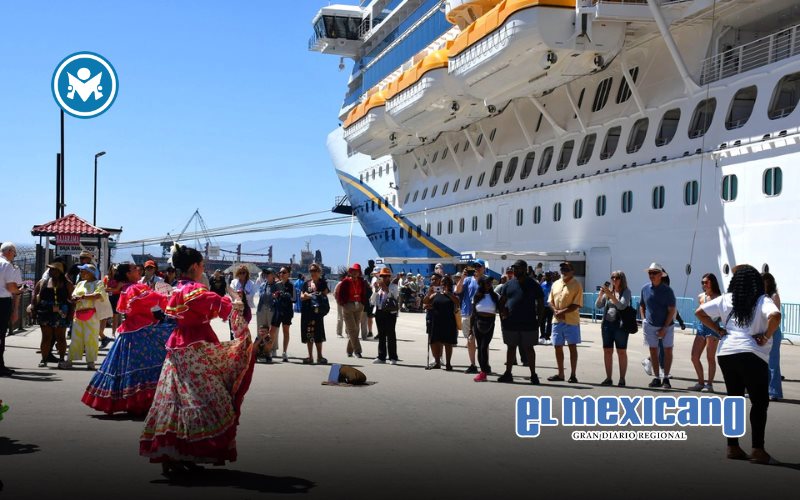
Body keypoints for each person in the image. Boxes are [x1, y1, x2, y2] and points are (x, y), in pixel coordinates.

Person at [139, 244, 259, 473]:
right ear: (194, 266)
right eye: (202, 265)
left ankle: (174, 454)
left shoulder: (175, 289)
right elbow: (227, 309)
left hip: (177, 348)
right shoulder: (196, 291)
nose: (203, 268)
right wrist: (237, 303)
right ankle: (186, 453)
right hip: (197, 349)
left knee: (175, 401)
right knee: (210, 400)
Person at [695, 264, 781, 464]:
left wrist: (718, 329)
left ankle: (732, 447)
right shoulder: (762, 299)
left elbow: (699, 312)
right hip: (752, 354)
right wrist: (766, 335)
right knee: (759, 403)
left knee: (734, 399)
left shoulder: (726, 298)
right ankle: (758, 450)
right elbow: (775, 316)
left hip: (726, 352)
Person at [82, 263, 174, 414]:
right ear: (127, 274)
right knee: (147, 362)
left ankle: (134, 401)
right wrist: (169, 295)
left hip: (134, 330)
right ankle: (140, 401)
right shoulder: (134, 288)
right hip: (140, 332)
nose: (138, 270)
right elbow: (150, 300)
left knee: (129, 366)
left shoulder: (131, 287)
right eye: (133, 269)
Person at [497, 259, 545, 384]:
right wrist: (502, 314)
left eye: (518, 268)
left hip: (529, 323)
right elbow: (501, 301)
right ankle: (508, 373)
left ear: (525, 269)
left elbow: (540, 303)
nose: (515, 270)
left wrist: (539, 321)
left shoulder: (533, 284)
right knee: (511, 347)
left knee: (529, 348)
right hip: (511, 323)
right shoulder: (508, 284)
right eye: (514, 268)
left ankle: (533, 375)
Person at [640, 263, 676, 389]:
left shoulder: (667, 291)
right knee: (653, 351)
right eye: (650, 273)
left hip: (667, 326)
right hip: (650, 325)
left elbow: (672, 310)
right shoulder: (644, 289)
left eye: (654, 273)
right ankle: (656, 378)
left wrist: (665, 328)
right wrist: (644, 319)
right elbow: (642, 305)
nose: (651, 275)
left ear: (661, 275)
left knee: (667, 350)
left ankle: (666, 378)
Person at [66, 264, 107, 370]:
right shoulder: (80, 283)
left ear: (91, 273)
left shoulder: (98, 283)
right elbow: (73, 296)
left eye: (83, 271)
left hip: (92, 315)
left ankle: (90, 362)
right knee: (75, 338)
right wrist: (74, 298)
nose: (81, 273)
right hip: (78, 314)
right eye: (81, 271)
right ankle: (69, 360)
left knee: (91, 338)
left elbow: (98, 295)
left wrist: (82, 297)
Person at [32, 262, 74, 368]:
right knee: (46, 337)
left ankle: (61, 359)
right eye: (50, 269)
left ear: (59, 272)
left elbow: (72, 300)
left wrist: (71, 314)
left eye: (54, 269)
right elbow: (35, 296)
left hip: (62, 312)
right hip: (45, 312)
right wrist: (33, 309)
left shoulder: (67, 284)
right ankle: (44, 359)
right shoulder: (42, 282)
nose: (51, 271)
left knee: (61, 337)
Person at [548, 262, 584, 383]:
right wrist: (555, 311)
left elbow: (576, 304)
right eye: (562, 268)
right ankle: (560, 374)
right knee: (557, 346)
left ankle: (573, 374)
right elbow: (550, 301)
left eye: (567, 269)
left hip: (571, 321)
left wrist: (562, 311)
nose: (564, 271)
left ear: (572, 271)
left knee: (572, 346)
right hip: (557, 320)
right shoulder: (556, 284)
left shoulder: (577, 285)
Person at [595, 271, 632, 386]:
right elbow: (598, 305)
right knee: (607, 351)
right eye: (612, 278)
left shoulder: (626, 291)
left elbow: (622, 305)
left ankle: (622, 378)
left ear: (622, 279)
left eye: (616, 278)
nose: (614, 280)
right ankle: (608, 378)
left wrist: (611, 295)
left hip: (620, 325)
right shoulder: (609, 291)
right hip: (607, 325)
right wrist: (601, 294)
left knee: (621, 351)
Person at [689, 273, 722, 392]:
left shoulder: (718, 297)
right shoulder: (701, 296)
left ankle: (709, 384)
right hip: (701, 327)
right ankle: (700, 382)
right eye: (702, 282)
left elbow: (721, 315)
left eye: (706, 282)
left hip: (713, 328)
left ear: (712, 282)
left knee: (710, 357)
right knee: (694, 356)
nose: (704, 284)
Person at [423, 274, 460, 370]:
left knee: (448, 342)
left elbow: (457, 302)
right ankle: (437, 362)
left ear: (450, 284)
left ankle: (448, 363)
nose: (443, 284)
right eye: (442, 282)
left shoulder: (452, 294)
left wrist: (448, 293)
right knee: (436, 341)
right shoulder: (436, 293)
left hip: (449, 321)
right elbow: (425, 301)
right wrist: (429, 293)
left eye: (446, 283)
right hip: (436, 320)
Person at [455, 260, 485, 374]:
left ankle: (484, 364)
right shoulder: (467, 280)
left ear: (483, 268)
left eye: (479, 266)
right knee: (470, 340)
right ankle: (473, 364)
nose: (476, 268)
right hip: (467, 312)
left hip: (481, 314)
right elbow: (457, 290)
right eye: (475, 266)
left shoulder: (486, 281)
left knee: (483, 341)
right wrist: (462, 277)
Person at [300, 263, 329, 364]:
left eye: (315, 270)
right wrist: (310, 296)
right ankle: (310, 356)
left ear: (319, 272)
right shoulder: (306, 284)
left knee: (318, 334)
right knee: (309, 334)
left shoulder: (323, 283)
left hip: (318, 313)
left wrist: (314, 295)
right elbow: (301, 296)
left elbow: (325, 296)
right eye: (311, 271)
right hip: (308, 312)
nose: (313, 273)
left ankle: (320, 356)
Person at [471, 276, 499, 382]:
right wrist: (470, 329)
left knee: (484, 347)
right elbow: (473, 313)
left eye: (490, 283)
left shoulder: (495, 296)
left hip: (490, 323)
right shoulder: (477, 296)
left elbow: (501, 310)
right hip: (477, 322)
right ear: (482, 284)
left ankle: (484, 371)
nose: (489, 284)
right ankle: (483, 372)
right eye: (487, 282)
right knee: (480, 347)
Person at [339, 263, 369, 358]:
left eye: (357, 271)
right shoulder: (346, 281)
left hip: (359, 305)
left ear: (359, 272)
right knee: (352, 329)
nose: (355, 273)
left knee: (356, 329)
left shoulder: (362, 282)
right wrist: (344, 304)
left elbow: (366, 292)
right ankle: (357, 351)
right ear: (350, 272)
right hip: (348, 306)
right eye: (353, 271)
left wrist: (363, 303)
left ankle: (349, 350)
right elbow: (339, 294)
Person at [371, 267, 400, 364]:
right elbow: (372, 301)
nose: (384, 278)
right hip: (379, 312)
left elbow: (394, 298)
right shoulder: (378, 287)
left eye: (386, 276)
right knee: (381, 334)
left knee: (391, 334)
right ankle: (381, 356)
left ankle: (393, 357)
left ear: (390, 277)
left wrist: (386, 289)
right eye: (382, 276)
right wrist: (375, 290)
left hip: (390, 312)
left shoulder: (394, 286)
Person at [268, 267, 296, 362]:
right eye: (280, 272)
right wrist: (275, 296)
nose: (282, 274)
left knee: (286, 331)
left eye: (284, 272)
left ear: (288, 274)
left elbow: (294, 299)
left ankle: (284, 352)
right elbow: (271, 297)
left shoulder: (291, 285)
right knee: (272, 331)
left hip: (287, 311)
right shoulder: (276, 285)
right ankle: (269, 351)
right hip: (277, 310)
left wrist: (286, 296)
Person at [762, 273, 782, 401]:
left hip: (773, 331)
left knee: (773, 362)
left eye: (765, 281)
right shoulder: (759, 296)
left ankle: (774, 391)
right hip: (762, 331)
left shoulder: (774, 296)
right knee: (762, 362)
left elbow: (775, 315)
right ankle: (763, 389)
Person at [255, 268, 277, 362]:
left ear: (273, 275)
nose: (266, 275)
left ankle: (271, 350)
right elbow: (262, 295)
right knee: (261, 330)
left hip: (272, 309)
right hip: (262, 309)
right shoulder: (263, 284)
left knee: (271, 332)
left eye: (269, 273)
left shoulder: (277, 285)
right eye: (266, 273)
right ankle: (260, 350)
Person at [230, 265, 256, 341]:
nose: (242, 274)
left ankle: (243, 347)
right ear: (237, 273)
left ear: (246, 273)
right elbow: (232, 293)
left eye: (243, 273)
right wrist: (242, 295)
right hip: (235, 309)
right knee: (233, 329)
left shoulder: (251, 283)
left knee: (244, 329)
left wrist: (242, 296)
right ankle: (234, 348)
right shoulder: (234, 282)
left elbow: (251, 295)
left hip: (246, 309)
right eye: (240, 272)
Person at [539, 272, 554, 344]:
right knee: (542, 321)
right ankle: (542, 335)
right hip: (543, 306)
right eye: (546, 276)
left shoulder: (554, 285)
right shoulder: (542, 284)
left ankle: (548, 336)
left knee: (549, 322)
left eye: (549, 276)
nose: (547, 277)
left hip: (550, 306)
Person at [333, 273, 346, 338]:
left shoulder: (349, 283)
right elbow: (335, 292)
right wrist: (337, 300)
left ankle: (348, 333)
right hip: (340, 302)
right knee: (340, 318)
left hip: (347, 303)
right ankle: (339, 333)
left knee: (347, 318)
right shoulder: (340, 283)